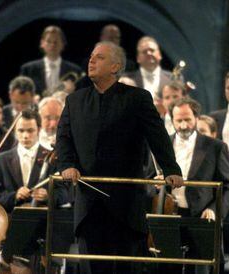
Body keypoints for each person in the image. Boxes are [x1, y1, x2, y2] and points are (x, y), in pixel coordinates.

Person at [56, 41, 183, 274]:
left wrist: (171, 168)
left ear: (115, 67)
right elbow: (64, 139)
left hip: (126, 204)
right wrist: (67, 165)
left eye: (100, 57)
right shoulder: (74, 101)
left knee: (125, 268)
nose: (91, 60)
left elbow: (158, 136)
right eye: (92, 56)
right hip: (88, 205)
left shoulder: (137, 98)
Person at [158, 97, 229, 273]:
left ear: (196, 118)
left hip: (202, 219)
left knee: (202, 269)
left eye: (187, 119)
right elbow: (149, 180)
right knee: (167, 268)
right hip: (169, 216)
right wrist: (154, 184)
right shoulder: (162, 144)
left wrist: (215, 210)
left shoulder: (215, 146)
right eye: (178, 120)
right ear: (172, 120)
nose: (183, 125)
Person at [0, 109, 68, 212]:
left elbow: (65, 194)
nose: (25, 136)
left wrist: (48, 196)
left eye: (30, 130)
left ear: (39, 129)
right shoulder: (1, 160)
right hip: (9, 220)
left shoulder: (53, 159)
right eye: (21, 130)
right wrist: (15, 196)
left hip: (42, 221)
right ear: (14, 130)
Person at [20, 25, 82, 97]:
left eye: (56, 42)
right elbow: (21, 95)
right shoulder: (28, 69)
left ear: (63, 44)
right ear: (42, 43)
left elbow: (81, 98)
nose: (52, 45)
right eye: (48, 41)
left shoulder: (75, 70)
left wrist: (72, 93)